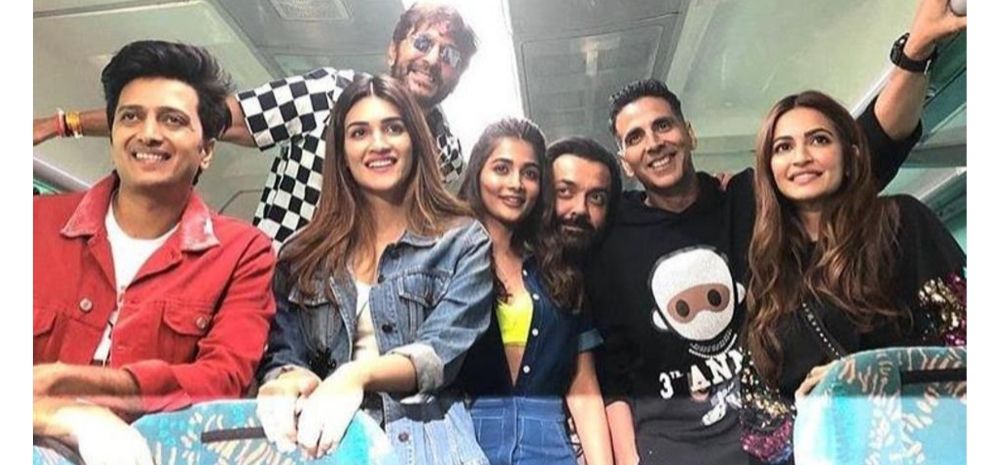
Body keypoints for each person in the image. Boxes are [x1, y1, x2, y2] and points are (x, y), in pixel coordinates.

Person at [586, 1, 965, 463]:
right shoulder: (609, 241)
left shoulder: (754, 201)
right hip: (678, 451)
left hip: (784, 442)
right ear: (624, 162)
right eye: (635, 137)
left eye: (663, 125)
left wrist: (915, 52)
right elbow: (612, 372)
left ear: (689, 133)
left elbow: (869, 144)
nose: (654, 143)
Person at [33, 2, 478, 249]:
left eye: (450, 54)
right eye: (423, 42)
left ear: (459, 74)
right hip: (280, 285)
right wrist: (61, 124)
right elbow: (196, 117)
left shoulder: (449, 152)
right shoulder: (328, 92)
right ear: (393, 50)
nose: (432, 59)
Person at [33, 40, 277, 465]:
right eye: (131, 116)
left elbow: (222, 379)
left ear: (206, 151)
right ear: (113, 135)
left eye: (172, 119)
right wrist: (71, 418)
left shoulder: (243, 252)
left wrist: (82, 385)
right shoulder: (33, 222)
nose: (148, 133)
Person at [253, 74, 493, 464]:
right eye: (359, 132)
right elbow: (282, 352)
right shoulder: (301, 254)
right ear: (341, 151)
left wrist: (356, 375)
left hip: (431, 446)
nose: (378, 144)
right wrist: (288, 377)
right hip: (326, 444)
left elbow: (439, 355)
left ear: (415, 140)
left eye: (393, 128)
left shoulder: (462, 241)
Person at [739, 90, 966, 464]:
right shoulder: (768, 275)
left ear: (851, 155)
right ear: (770, 170)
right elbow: (757, 422)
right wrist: (805, 411)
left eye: (819, 140)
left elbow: (961, 345)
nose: (801, 157)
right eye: (783, 147)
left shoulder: (899, 222)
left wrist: (856, 377)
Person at [457, 120, 613, 465]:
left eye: (529, 173)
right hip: (466, 442)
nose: (516, 183)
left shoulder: (558, 268)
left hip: (550, 446)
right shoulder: (445, 259)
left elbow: (583, 385)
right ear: (478, 172)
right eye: (502, 168)